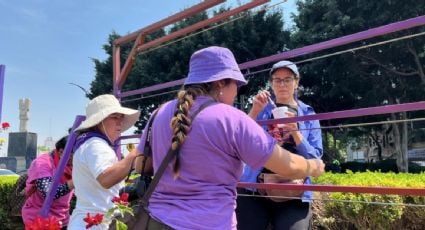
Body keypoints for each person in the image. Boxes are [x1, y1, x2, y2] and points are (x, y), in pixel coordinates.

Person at [133, 46, 325, 229]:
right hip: (211, 222)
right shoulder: (231, 118)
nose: (237, 90)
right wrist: (314, 167)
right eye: (236, 84)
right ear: (220, 84)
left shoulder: (159, 113)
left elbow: (141, 165)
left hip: (156, 219)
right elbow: (287, 165)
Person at [237, 60, 323, 230]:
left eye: (288, 79)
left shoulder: (308, 114)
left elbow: (316, 160)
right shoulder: (262, 110)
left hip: (294, 193)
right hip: (255, 190)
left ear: (296, 82)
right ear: (271, 84)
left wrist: (296, 133)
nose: (282, 84)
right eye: (277, 80)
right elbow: (240, 138)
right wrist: (254, 111)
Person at [67, 94, 140, 229]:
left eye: (121, 117)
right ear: (99, 121)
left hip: (88, 221)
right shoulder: (96, 144)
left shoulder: (88, 143)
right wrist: (135, 153)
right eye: (114, 117)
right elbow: (106, 178)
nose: (120, 122)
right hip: (96, 223)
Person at [22, 136, 74, 229]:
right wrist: (75, 180)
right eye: (76, 154)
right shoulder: (42, 163)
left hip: (63, 219)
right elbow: (49, 193)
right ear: (61, 152)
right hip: (39, 220)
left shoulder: (73, 165)